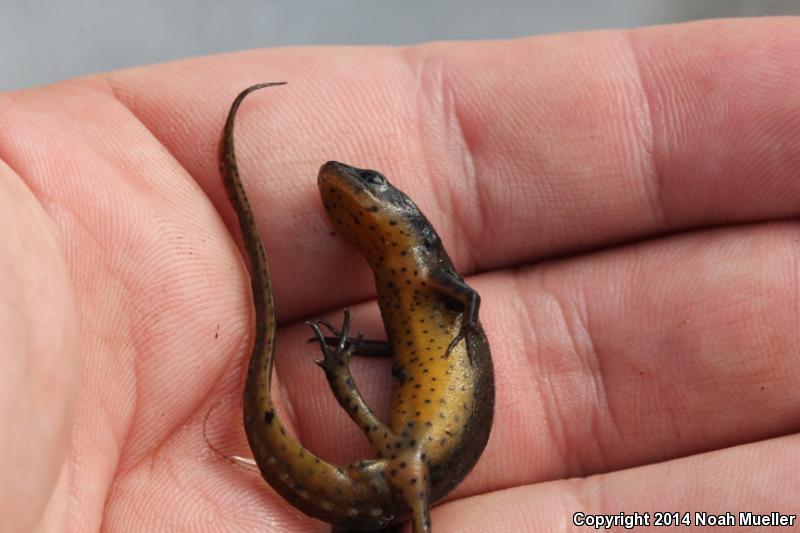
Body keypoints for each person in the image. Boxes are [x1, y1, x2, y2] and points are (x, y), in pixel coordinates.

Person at [2, 17, 798, 532]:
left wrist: (360, 361)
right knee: (391, 449)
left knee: (393, 454)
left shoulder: (416, 262)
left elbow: (460, 305)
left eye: (365, 193)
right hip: (414, 442)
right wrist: (360, 358)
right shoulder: (406, 273)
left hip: (417, 458)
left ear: (396, 210)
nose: (353, 197)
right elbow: (442, 322)